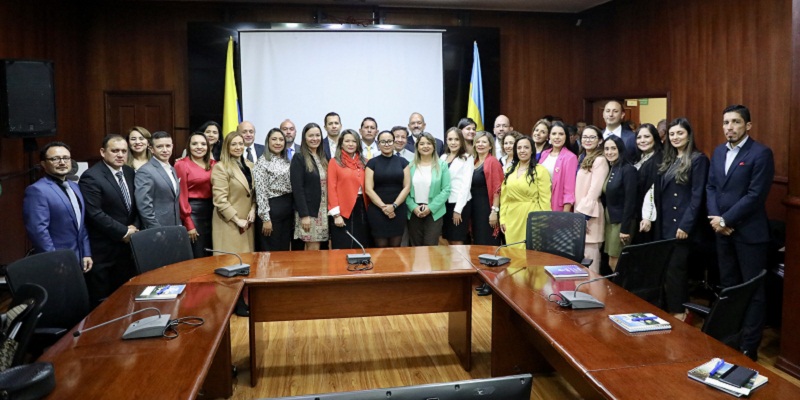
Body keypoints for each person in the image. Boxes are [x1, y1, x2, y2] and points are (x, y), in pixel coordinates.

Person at [707, 105, 774, 361]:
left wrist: (726, 218)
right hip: (722, 232)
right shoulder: (718, 151)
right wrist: (717, 220)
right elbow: (711, 188)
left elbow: (755, 195)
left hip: (749, 234)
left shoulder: (761, 153)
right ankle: (730, 338)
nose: (729, 127)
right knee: (729, 288)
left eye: (735, 122)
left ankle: (749, 346)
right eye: (726, 122)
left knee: (753, 292)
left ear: (748, 126)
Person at [656, 117, 709, 321]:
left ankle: (679, 313)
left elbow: (697, 197)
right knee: (669, 269)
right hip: (666, 222)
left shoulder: (698, 159)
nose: (675, 137)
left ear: (689, 135)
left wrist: (686, 225)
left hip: (682, 225)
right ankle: (680, 308)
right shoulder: (670, 159)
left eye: (680, 133)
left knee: (676, 270)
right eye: (672, 134)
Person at [80, 135, 139, 304]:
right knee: (104, 303)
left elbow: (135, 206)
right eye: (115, 151)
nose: (120, 155)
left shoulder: (129, 172)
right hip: (104, 251)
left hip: (127, 250)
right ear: (103, 152)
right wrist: (124, 231)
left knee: (126, 298)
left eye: (124, 151)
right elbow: (94, 213)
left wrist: (134, 227)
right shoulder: (91, 176)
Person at [23, 141, 93, 273]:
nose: (62, 162)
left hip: (78, 257)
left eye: (66, 158)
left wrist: (86, 252)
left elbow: (81, 224)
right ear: (43, 164)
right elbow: (38, 231)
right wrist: (54, 259)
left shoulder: (74, 186)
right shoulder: (37, 190)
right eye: (55, 159)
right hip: (56, 261)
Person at [499, 136, 551, 247]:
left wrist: (544, 221)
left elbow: (545, 199)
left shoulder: (540, 170)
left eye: (526, 147)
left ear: (532, 150)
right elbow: (504, 198)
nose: (522, 151)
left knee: (531, 254)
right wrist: (502, 218)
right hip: (511, 219)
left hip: (532, 217)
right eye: (519, 148)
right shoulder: (509, 171)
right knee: (513, 253)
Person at [211, 131, 256, 254]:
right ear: (227, 147)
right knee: (231, 262)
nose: (238, 147)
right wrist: (237, 220)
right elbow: (220, 200)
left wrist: (253, 209)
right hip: (230, 222)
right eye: (234, 144)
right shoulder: (221, 167)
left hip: (248, 222)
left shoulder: (250, 165)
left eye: (240, 144)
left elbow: (254, 193)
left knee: (247, 262)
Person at [366, 130, 411, 248]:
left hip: (398, 210)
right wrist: (384, 207)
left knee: (396, 247)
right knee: (380, 247)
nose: (387, 144)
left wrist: (394, 206)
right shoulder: (372, 163)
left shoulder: (403, 162)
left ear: (394, 142)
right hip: (377, 210)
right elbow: (368, 189)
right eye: (383, 141)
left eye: (390, 141)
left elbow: (407, 187)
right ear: (378, 144)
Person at [174, 132, 215, 258]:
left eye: (203, 144)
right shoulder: (181, 164)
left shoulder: (214, 164)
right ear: (188, 147)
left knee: (212, 251)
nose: (199, 147)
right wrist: (188, 223)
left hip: (213, 213)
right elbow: (181, 196)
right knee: (198, 252)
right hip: (193, 213)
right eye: (195, 144)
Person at [406, 132, 451, 246]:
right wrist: (413, 207)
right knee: (416, 248)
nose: (425, 146)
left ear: (434, 146)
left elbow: (446, 189)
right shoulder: (409, 166)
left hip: (434, 212)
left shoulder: (442, 165)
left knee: (430, 247)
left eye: (429, 143)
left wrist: (430, 207)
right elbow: (405, 189)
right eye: (422, 144)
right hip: (414, 212)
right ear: (417, 147)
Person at [253, 128, 294, 251]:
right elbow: (261, 192)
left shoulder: (286, 160)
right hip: (272, 210)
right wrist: (266, 218)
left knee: (284, 251)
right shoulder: (262, 162)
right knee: (271, 252)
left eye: (281, 139)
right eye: (274, 139)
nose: (278, 143)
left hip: (287, 210)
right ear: (268, 142)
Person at [328, 129, 370, 249]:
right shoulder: (334, 162)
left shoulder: (364, 162)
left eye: (354, 141)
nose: (351, 144)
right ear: (341, 143)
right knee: (344, 244)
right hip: (343, 210)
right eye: (347, 141)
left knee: (362, 244)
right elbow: (331, 188)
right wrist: (336, 215)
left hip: (362, 207)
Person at [574, 125, 608, 273]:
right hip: (579, 214)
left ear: (600, 141)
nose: (587, 140)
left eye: (592, 137)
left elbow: (595, 190)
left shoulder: (600, 160)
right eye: (585, 137)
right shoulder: (582, 157)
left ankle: (593, 294)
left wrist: (584, 216)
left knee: (591, 263)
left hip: (590, 215)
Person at [601, 135, 638, 270]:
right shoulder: (613, 167)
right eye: (606, 149)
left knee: (616, 261)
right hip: (611, 220)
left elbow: (630, 201)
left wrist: (625, 229)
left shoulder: (628, 169)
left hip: (622, 222)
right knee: (611, 259)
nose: (609, 152)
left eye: (613, 148)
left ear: (620, 149)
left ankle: (623, 290)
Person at [291, 122, 329, 250]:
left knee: (323, 250)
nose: (315, 139)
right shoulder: (299, 157)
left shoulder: (323, 157)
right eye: (311, 136)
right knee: (313, 251)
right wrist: (304, 215)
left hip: (324, 211)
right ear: (304, 138)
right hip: (310, 212)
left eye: (317, 135)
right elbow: (297, 189)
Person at [134, 131, 180, 229]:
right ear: (151, 149)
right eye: (160, 146)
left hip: (174, 226)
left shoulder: (172, 169)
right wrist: (156, 229)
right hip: (157, 229)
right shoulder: (145, 171)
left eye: (168, 146)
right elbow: (144, 205)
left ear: (172, 146)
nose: (165, 150)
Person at [440, 127, 473, 245]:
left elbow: (465, 186)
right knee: (448, 239)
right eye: (450, 139)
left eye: (456, 139)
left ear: (461, 141)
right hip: (444, 204)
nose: (453, 142)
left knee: (457, 239)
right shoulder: (443, 157)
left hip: (459, 204)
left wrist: (458, 210)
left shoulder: (467, 158)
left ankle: (461, 264)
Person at [470, 131, 503, 246]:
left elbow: (497, 189)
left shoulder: (492, 162)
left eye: (484, 142)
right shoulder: (473, 162)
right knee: (477, 243)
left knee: (487, 244)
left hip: (486, 210)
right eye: (478, 141)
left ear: (490, 146)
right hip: (474, 210)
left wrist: (494, 211)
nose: (480, 144)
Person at [632, 123, 663, 244]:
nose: (642, 140)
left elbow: (652, 190)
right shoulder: (640, 157)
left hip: (649, 217)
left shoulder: (658, 159)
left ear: (655, 138)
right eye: (639, 137)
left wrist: (647, 217)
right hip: (638, 213)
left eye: (647, 136)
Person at [539, 121, 578, 212]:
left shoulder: (570, 157)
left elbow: (569, 190)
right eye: (554, 134)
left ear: (566, 137)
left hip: (558, 206)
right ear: (549, 136)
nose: (557, 137)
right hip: (541, 203)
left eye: (561, 134)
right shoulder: (544, 154)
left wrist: (565, 214)